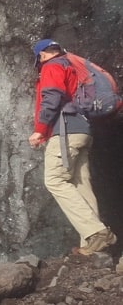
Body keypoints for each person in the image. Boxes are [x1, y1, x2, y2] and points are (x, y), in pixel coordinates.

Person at [29, 39, 116, 255]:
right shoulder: (72, 65)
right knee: (80, 182)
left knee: (55, 180)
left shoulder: (52, 66)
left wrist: (40, 129)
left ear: (42, 56)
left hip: (65, 130)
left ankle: (96, 232)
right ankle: (92, 245)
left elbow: (51, 97)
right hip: (83, 130)